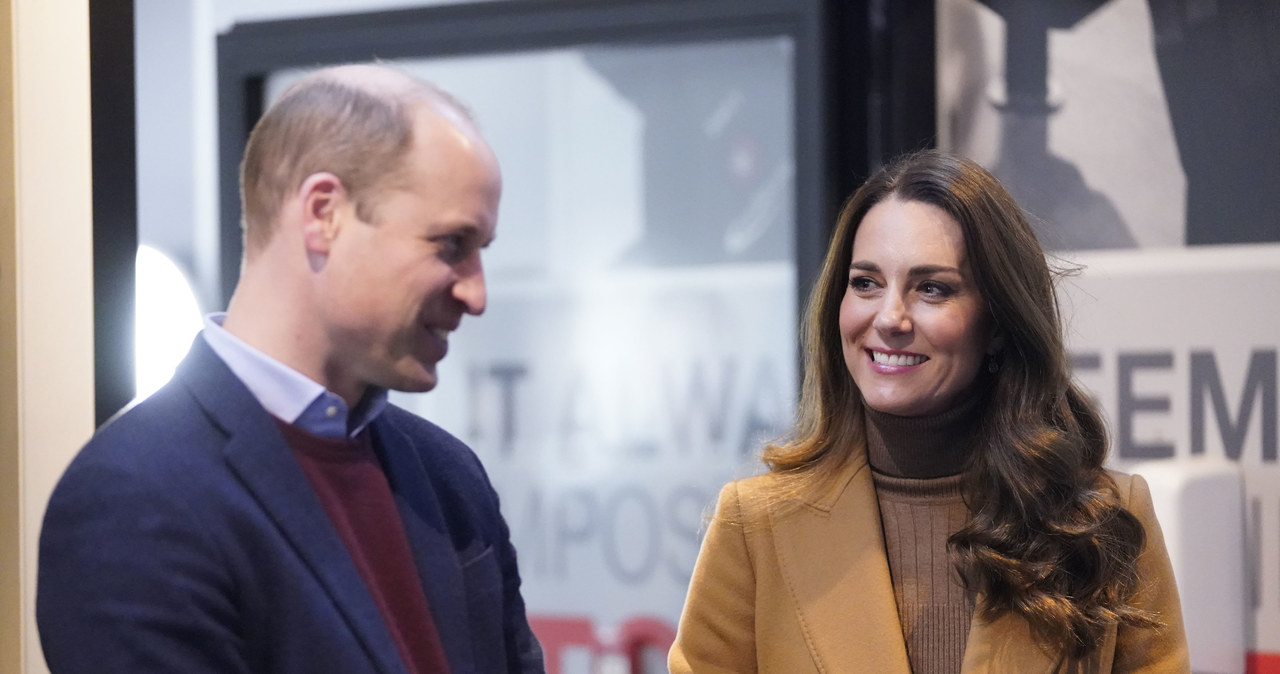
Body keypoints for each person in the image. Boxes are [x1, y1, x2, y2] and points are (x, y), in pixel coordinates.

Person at [37, 64, 544, 673]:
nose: (476, 294)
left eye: (480, 252)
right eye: (451, 246)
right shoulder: (133, 498)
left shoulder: (448, 477)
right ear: (323, 213)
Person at [669, 150, 1189, 673]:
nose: (890, 317)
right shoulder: (757, 525)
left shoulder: (1101, 519)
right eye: (866, 283)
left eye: (932, 288)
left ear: (999, 325)